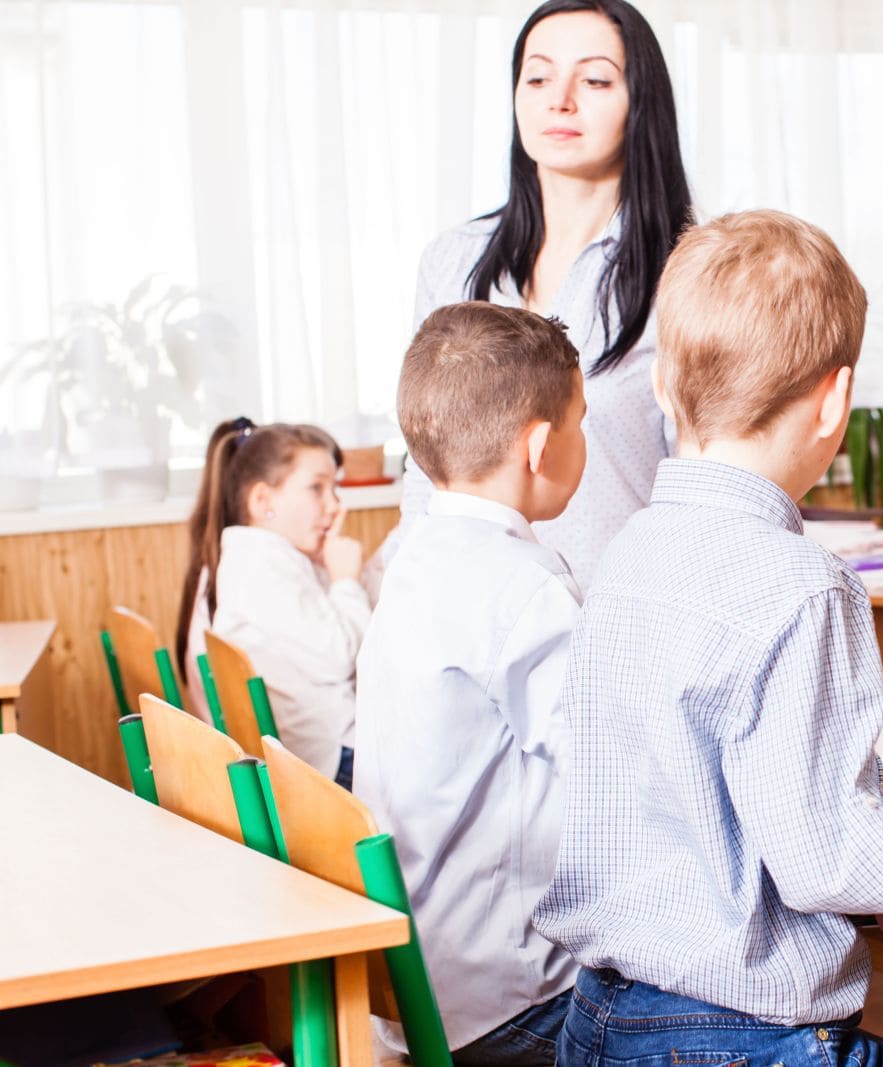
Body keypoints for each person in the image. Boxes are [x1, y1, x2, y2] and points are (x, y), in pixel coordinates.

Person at [533, 210, 883, 1065]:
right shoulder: (801, 584)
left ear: (659, 384)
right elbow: (833, 866)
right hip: (738, 1040)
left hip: (602, 1024)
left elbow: (697, 783)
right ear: (835, 400)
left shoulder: (627, 551)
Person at [356, 302, 586, 1063]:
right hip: (515, 999)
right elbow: (616, 768)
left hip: (420, 980)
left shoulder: (417, 560)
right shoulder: (522, 590)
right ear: (541, 445)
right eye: (582, 422)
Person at [395, 0, 693, 587]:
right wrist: (406, 600)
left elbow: (699, 486)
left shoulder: (688, 270)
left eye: (596, 78)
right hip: (470, 613)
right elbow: (422, 469)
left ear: (640, 102)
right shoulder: (453, 259)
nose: (560, 99)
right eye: (538, 76)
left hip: (618, 617)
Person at [177, 417, 368, 786]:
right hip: (329, 762)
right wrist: (345, 581)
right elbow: (341, 659)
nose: (335, 506)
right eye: (317, 488)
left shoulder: (263, 556)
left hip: (317, 754)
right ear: (263, 500)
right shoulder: (259, 567)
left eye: (336, 488)